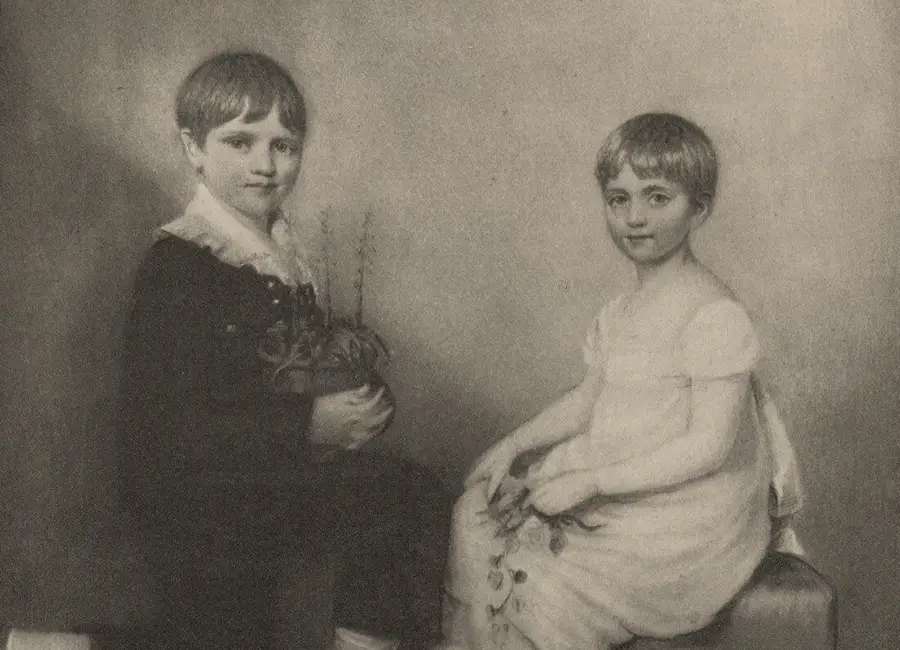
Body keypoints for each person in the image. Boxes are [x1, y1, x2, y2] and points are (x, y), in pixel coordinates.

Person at [117, 51, 450, 650]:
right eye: (240, 142)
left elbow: (306, 359)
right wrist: (309, 423)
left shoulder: (281, 251)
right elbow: (167, 430)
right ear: (193, 148)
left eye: (284, 146)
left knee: (412, 494)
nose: (265, 165)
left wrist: (359, 398)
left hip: (271, 477)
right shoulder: (180, 263)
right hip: (203, 498)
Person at [440, 113, 804, 649]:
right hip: (620, 478)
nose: (635, 217)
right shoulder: (618, 313)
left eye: (657, 198)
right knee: (474, 518)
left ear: (699, 208)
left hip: (689, 516)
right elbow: (585, 403)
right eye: (619, 199)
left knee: (535, 578)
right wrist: (512, 445)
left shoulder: (713, 314)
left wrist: (592, 482)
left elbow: (708, 447)